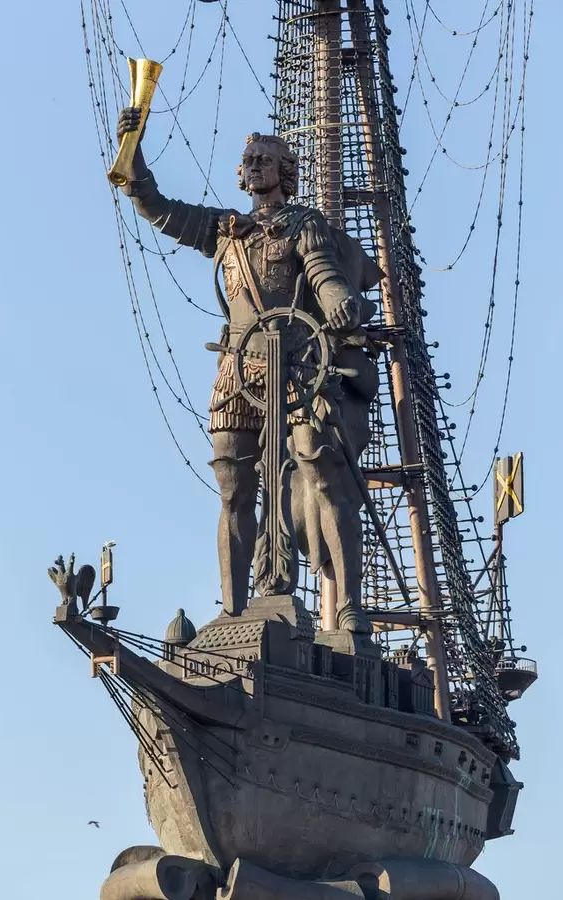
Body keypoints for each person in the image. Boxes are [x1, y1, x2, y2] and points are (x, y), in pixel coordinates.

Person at [116, 107, 382, 631]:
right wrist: (134, 150)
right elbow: (157, 207)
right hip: (237, 376)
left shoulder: (304, 225)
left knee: (321, 471)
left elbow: (324, 274)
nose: (254, 166)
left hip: (301, 371)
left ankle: (347, 605)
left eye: (265, 160)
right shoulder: (225, 230)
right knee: (234, 489)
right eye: (249, 160)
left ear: (285, 172)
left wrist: (338, 302)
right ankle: (235, 611)